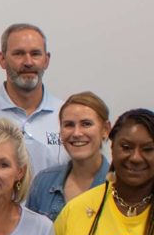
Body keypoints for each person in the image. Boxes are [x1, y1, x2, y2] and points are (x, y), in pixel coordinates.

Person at [0, 23, 63, 173]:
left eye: (35, 54)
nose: (28, 62)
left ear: (46, 60)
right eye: (18, 54)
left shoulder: (66, 117)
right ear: (2, 59)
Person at [25, 92, 110, 220]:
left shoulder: (120, 187)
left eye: (86, 124)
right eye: (69, 125)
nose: (76, 133)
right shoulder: (43, 183)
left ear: (105, 129)